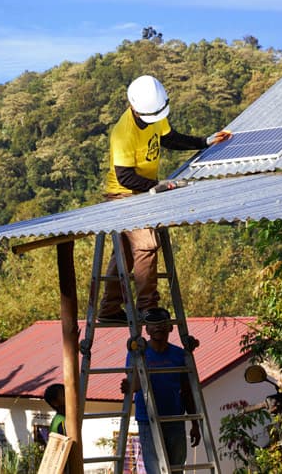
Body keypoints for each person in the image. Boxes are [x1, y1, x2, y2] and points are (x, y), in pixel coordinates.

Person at [98, 75, 232, 323]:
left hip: (141, 192)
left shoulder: (154, 112)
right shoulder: (123, 133)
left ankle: (109, 310)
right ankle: (147, 307)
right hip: (123, 195)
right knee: (147, 245)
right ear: (134, 107)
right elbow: (125, 176)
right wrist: (156, 186)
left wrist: (203, 142)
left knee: (126, 254)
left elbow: (168, 137)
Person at [120, 307, 200, 474]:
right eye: (153, 324)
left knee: (176, 469)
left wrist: (194, 423)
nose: (158, 328)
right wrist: (128, 385)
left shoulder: (179, 355)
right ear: (147, 329)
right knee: (156, 470)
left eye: (162, 324)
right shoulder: (138, 354)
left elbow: (187, 390)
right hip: (148, 420)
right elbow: (133, 385)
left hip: (175, 419)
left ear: (170, 327)